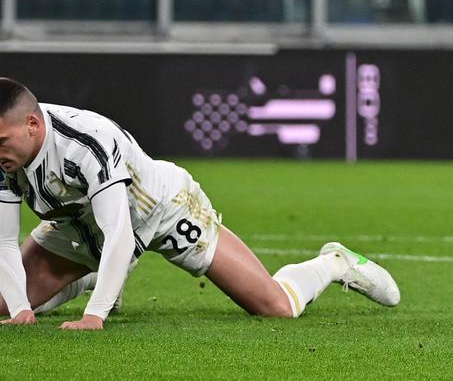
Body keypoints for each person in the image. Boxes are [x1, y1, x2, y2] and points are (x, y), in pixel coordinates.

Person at [0, 78, 400, 329]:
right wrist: (19, 308)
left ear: (33, 125)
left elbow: (119, 232)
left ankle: (333, 263)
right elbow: (4, 242)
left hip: (164, 211)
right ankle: (99, 275)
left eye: (2, 141)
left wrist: (94, 316)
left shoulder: (86, 142)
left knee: (276, 307)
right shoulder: (7, 155)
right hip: (81, 229)